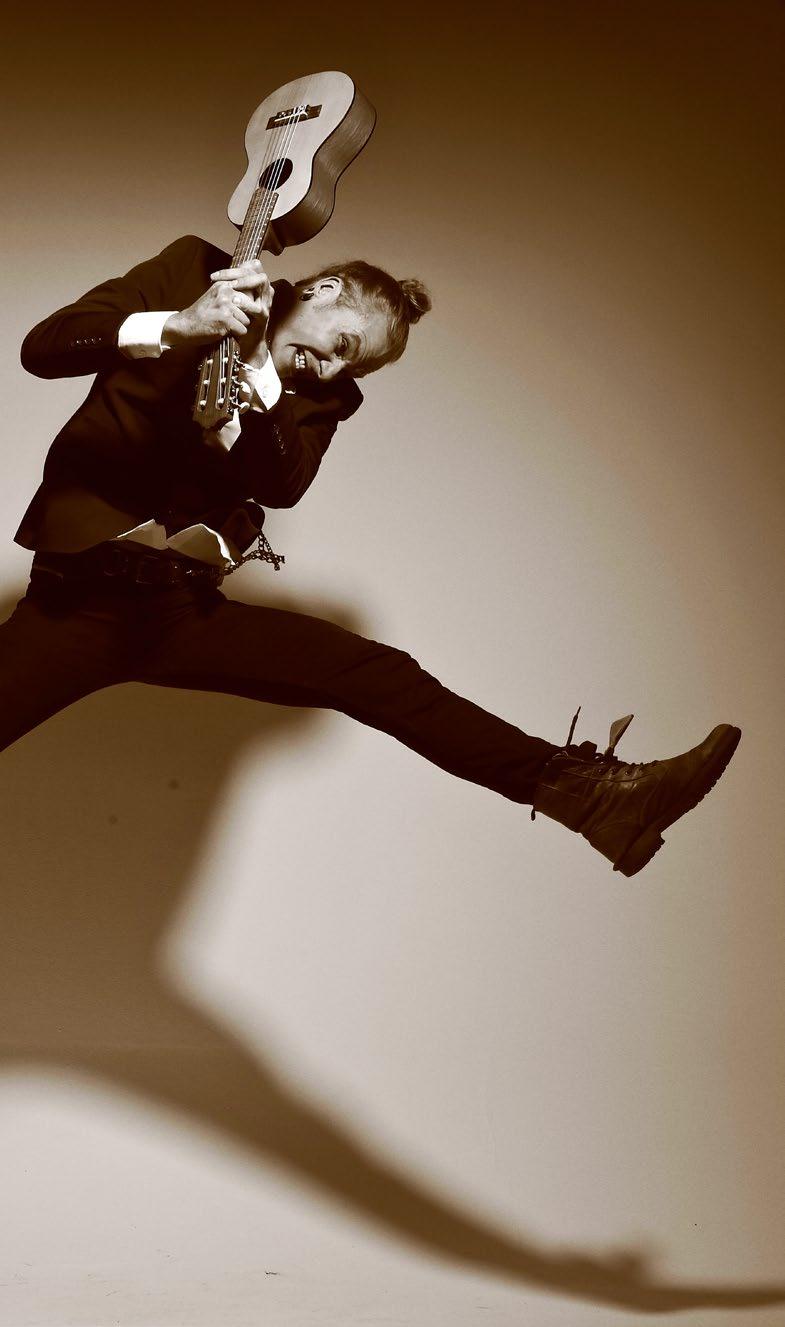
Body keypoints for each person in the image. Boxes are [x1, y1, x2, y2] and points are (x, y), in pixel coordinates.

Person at [3, 233, 739, 877]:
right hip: (75, 602)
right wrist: (180, 325)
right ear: (324, 290)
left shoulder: (314, 398)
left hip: (176, 611)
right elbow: (45, 346)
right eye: (342, 345)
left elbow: (282, 484)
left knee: (380, 674)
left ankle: (594, 800)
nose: (330, 370)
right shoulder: (192, 271)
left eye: (348, 369)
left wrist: (260, 374)